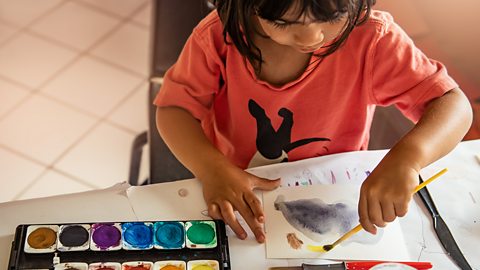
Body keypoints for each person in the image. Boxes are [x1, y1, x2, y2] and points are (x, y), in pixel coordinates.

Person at [154, 0, 473, 243]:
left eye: (332, 17)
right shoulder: (218, 38)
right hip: (232, 183)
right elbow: (174, 110)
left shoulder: (372, 39)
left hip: (336, 193)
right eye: (282, 21)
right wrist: (211, 169)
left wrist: (408, 160)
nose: (311, 36)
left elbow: (453, 104)